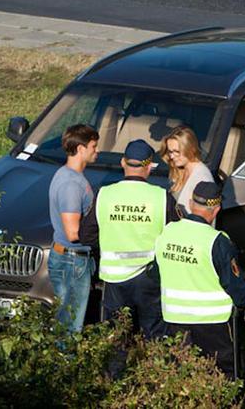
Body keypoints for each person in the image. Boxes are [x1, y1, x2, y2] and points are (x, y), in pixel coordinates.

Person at [155, 181, 245, 379]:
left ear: (190, 203)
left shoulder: (167, 232)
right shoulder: (218, 241)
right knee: (221, 376)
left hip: (174, 320)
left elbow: (156, 272)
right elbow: (234, 285)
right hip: (213, 325)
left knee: (182, 375)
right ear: (216, 210)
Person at [80, 139, 180, 339]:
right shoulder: (162, 197)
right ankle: (153, 369)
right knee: (154, 333)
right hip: (149, 276)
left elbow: (86, 235)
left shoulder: (104, 194)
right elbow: (176, 236)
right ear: (149, 167)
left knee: (117, 335)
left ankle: (116, 370)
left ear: (123, 163)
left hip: (114, 279)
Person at [48, 124, 99, 333]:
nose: (97, 151)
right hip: (73, 261)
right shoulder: (71, 185)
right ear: (80, 149)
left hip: (68, 258)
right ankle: (65, 361)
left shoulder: (65, 175)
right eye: (94, 146)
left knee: (64, 319)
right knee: (70, 324)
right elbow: (72, 232)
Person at [160, 126, 214, 216]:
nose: (172, 156)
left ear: (190, 148)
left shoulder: (202, 178)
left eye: (176, 151)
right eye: (170, 152)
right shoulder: (180, 171)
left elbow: (205, 218)